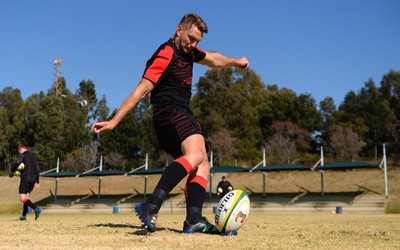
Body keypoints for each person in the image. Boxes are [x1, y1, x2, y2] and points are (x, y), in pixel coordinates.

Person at [91, 13, 249, 234]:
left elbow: (213, 59)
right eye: (191, 38)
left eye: (197, 41)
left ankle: (193, 219)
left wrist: (235, 62)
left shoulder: (191, 52)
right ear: (179, 30)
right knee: (196, 155)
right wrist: (114, 121)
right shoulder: (167, 53)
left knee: (202, 163)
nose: (193, 44)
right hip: (168, 112)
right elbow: (142, 89)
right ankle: (151, 205)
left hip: (180, 113)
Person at [9, 144, 42, 221]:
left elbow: (17, 162)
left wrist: (12, 171)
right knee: (26, 198)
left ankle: (36, 209)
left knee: (22, 198)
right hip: (32, 180)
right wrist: (37, 181)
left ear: (20, 149)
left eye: (19, 151)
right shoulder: (34, 157)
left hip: (25, 179)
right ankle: (23, 216)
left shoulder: (23, 155)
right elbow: (37, 169)